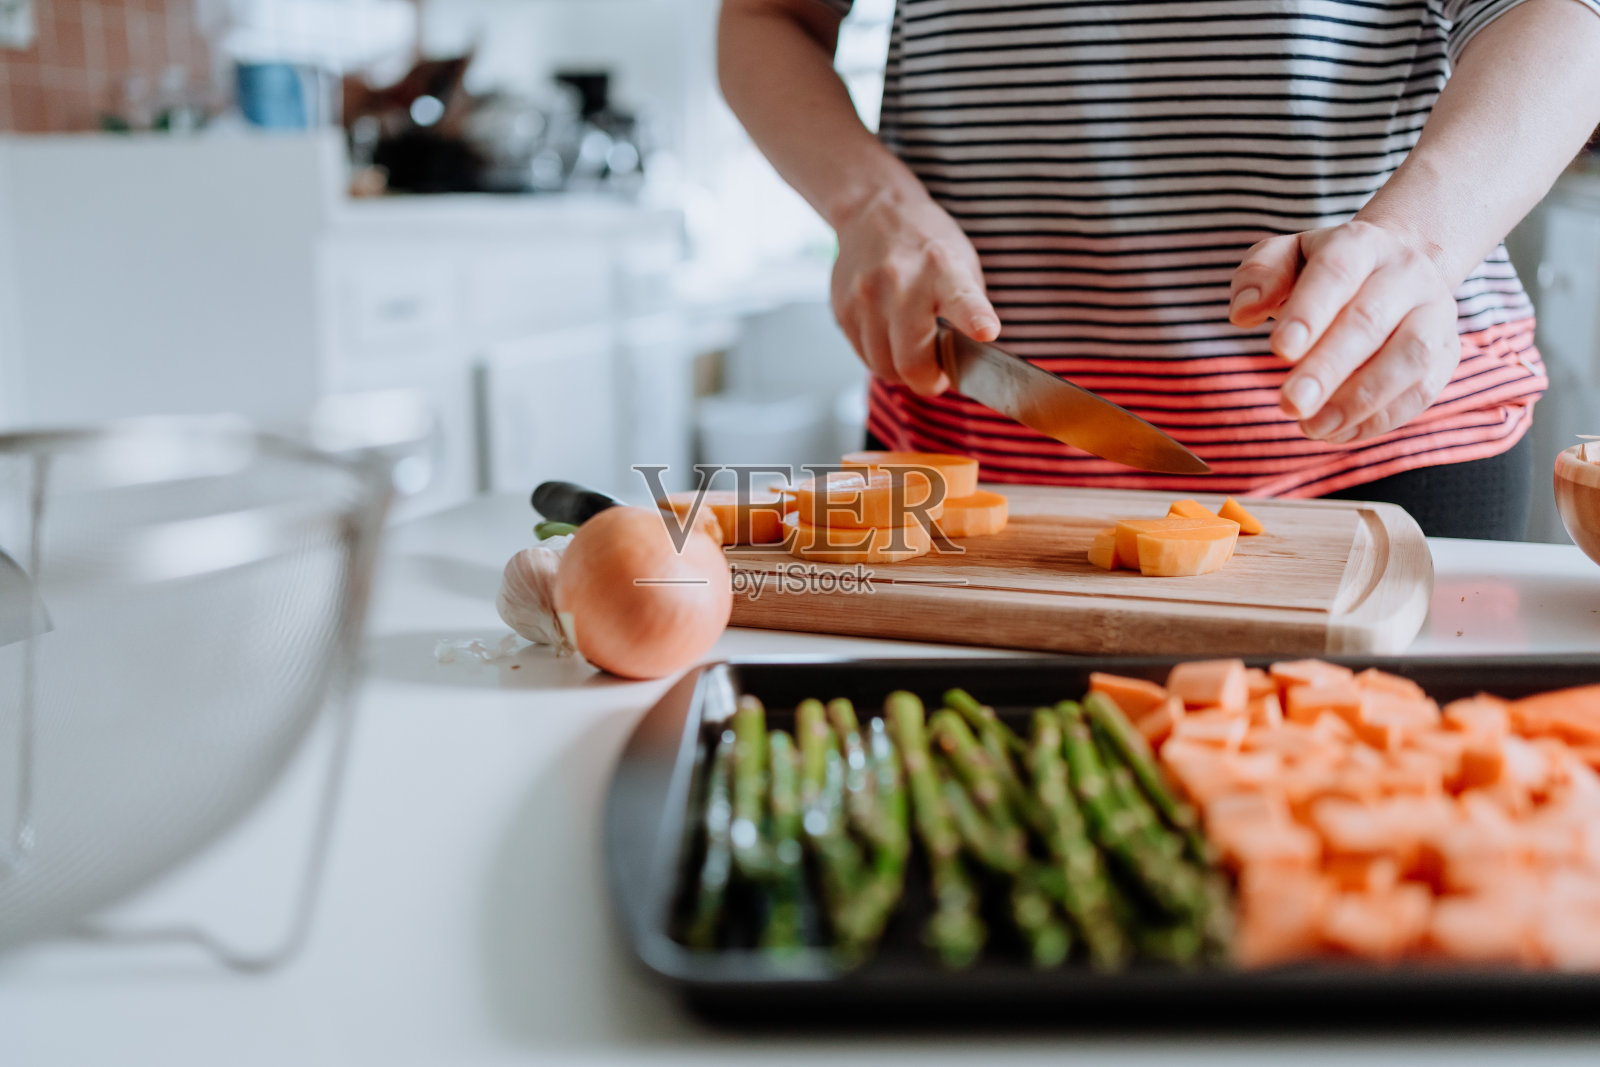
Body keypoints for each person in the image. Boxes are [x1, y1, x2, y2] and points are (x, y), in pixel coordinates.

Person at [718, 0, 1600, 539]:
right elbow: (766, 14)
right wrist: (868, 203)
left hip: (1385, 448)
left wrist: (1421, 240)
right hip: (971, 442)